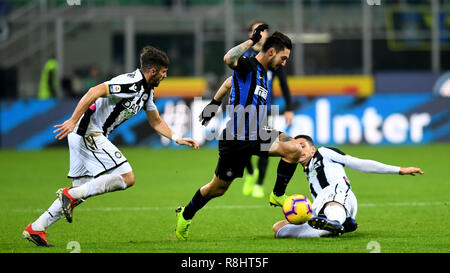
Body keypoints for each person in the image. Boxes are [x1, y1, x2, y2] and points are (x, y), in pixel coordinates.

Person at [23, 45, 199, 247]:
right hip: (88, 132)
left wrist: (177, 138)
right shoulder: (131, 84)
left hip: (85, 133)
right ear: (153, 71)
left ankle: (37, 227)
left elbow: (155, 120)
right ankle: (68, 195)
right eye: (163, 72)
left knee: (80, 190)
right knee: (127, 177)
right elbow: (95, 91)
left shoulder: (146, 91)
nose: (165, 76)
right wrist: (73, 120)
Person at [175, 28, 301, 241]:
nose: (284, 63)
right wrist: (252, 40)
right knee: (218, 188)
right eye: (283, 57)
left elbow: (228, 83)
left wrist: (214, 104)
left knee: (294, 148)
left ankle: (277, 194)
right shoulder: (248, 65)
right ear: (271, 52)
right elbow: (229, 58)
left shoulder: (262, 72)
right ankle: (186, 215)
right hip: (236, 140)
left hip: (259, 134)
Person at [272, 135, 424, 238]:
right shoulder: (308, 171)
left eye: (303, 146)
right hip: (320, 206)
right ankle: (331, 228)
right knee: (278, 228)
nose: (299, 150)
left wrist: (398, 170)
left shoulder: (324, 153)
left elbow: (361, 164)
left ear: (313, 149)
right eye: (296, 147)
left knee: (331, 199)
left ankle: (336, 222)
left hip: (340, 194)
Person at [240, 20, 294, 199]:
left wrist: (289, 108)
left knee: (265, 144)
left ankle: (259, 183)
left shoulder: (274, 59)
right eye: (258, 31)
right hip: (244, 108)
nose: (262, 34)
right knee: (241, 144)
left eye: (265, 31)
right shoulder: (246, 56)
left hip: (265, 108)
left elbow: (284, 83)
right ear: (251, 35)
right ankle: (250, 172)